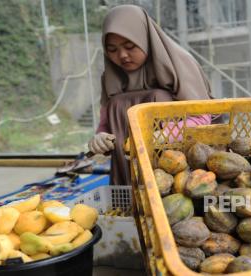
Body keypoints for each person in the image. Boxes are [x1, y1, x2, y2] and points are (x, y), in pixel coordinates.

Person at [87, 4, 214, 186]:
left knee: (159, 96)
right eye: (112, 50)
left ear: (145, 38)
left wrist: (160, 136)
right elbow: (106, 125)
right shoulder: (110, 77)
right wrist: (101, 138)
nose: (122, 55)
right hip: (127, 166)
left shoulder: (178, 64)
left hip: (177, 167)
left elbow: (203, 120)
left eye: (130, 46)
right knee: (117, 103)